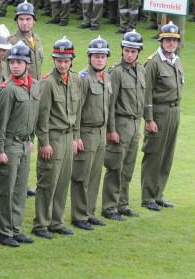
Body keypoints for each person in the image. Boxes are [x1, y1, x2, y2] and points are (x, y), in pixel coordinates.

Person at [32, 36, 82, 239]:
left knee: (62, 181)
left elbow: (78, 111)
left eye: (66, 60)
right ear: (53, 60)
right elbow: (42, 116)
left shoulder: (77, 80)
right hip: (53, 137)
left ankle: (56, 221)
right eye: (59, 60)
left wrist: (76, 136)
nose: (62, 64)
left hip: (69, 136)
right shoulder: (47, 82)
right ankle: (41, 224)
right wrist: (44, 142)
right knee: (48, 181)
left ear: (71, 61)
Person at [0, 42, 40, 247]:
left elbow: (34, 116)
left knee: (20, 190)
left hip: (24, 144)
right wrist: (0, 149)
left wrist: (31, 139)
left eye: (19, 62)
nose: (15, 66)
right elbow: (0, 123)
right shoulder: (7, 89)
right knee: (6, 190)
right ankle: (3, 231)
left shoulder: (35, 85)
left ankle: (15, 228)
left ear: (27, 64)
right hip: (10, 145)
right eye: (12, 62)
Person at [140, 22, 184, 211]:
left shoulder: (176, 60)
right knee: (154, 155)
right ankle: (148, 196)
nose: (171, 44)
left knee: (167, 156)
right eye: (167, 40)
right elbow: (146, 93)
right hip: (159, 112)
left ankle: (158, 194)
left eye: (174, 40)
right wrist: (149, 119)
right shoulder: (153, 63)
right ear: (161, 41)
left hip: (174, 112)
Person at [102, 30, 145, 220]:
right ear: (122, 50)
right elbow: (110, 104)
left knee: (128, 168)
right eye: (127, 50)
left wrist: (139, 126)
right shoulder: (116, 72)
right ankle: (110, 207)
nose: (129, 54)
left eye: (133, 51)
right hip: (120, 124)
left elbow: (141, 99)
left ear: (138, 53)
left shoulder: (141, 70)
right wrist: (111, 130)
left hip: (134, 125)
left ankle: (123, 203)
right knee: (115, 168)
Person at [70, 37, 112, 231]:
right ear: (89, 57)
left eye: (103, 56)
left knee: (95, 174)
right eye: (96, 56)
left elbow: (108, 107)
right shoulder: (84, 78)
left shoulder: (107, 77)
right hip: (86, 131)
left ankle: (89, 212)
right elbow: (77, 110)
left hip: (101, 132)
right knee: (81, 175)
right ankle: (79, 215)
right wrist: (76, 136)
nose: (100, 60)